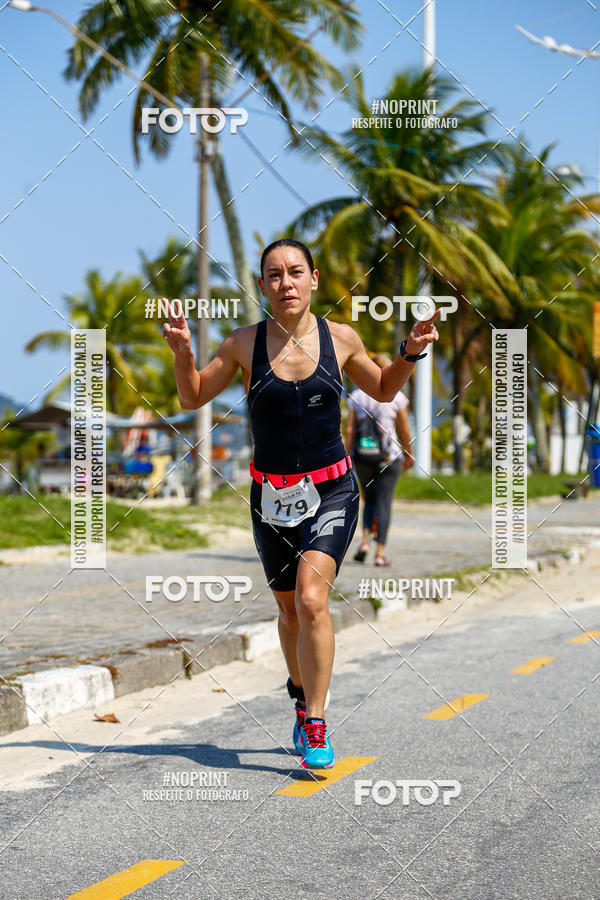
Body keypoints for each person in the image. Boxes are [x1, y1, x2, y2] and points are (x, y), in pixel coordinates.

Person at [163, 238, 440, 769]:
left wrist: (409, 352)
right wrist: (183, 356)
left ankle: (315, 718)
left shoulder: (341, 339)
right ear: (262, 285)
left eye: (295, 272)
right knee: (289, 610)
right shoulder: (243, 344)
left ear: (314, 279)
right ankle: (298, 693)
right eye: (273, 275)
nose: (285, 282)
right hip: (270, 497)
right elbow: (193, 396)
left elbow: (384, 389)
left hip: (333, 489)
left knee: (312, 599)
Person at [346, 353, 414, 566]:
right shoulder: (397, 397)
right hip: (388, 457)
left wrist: (347, 455)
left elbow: (350, 430)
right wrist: (409, 452)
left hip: (363, 457)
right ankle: (380, 553)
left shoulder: (357, 396)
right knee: (384, 502)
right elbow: (404, 428)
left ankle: (365, 542)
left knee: (369, 499)